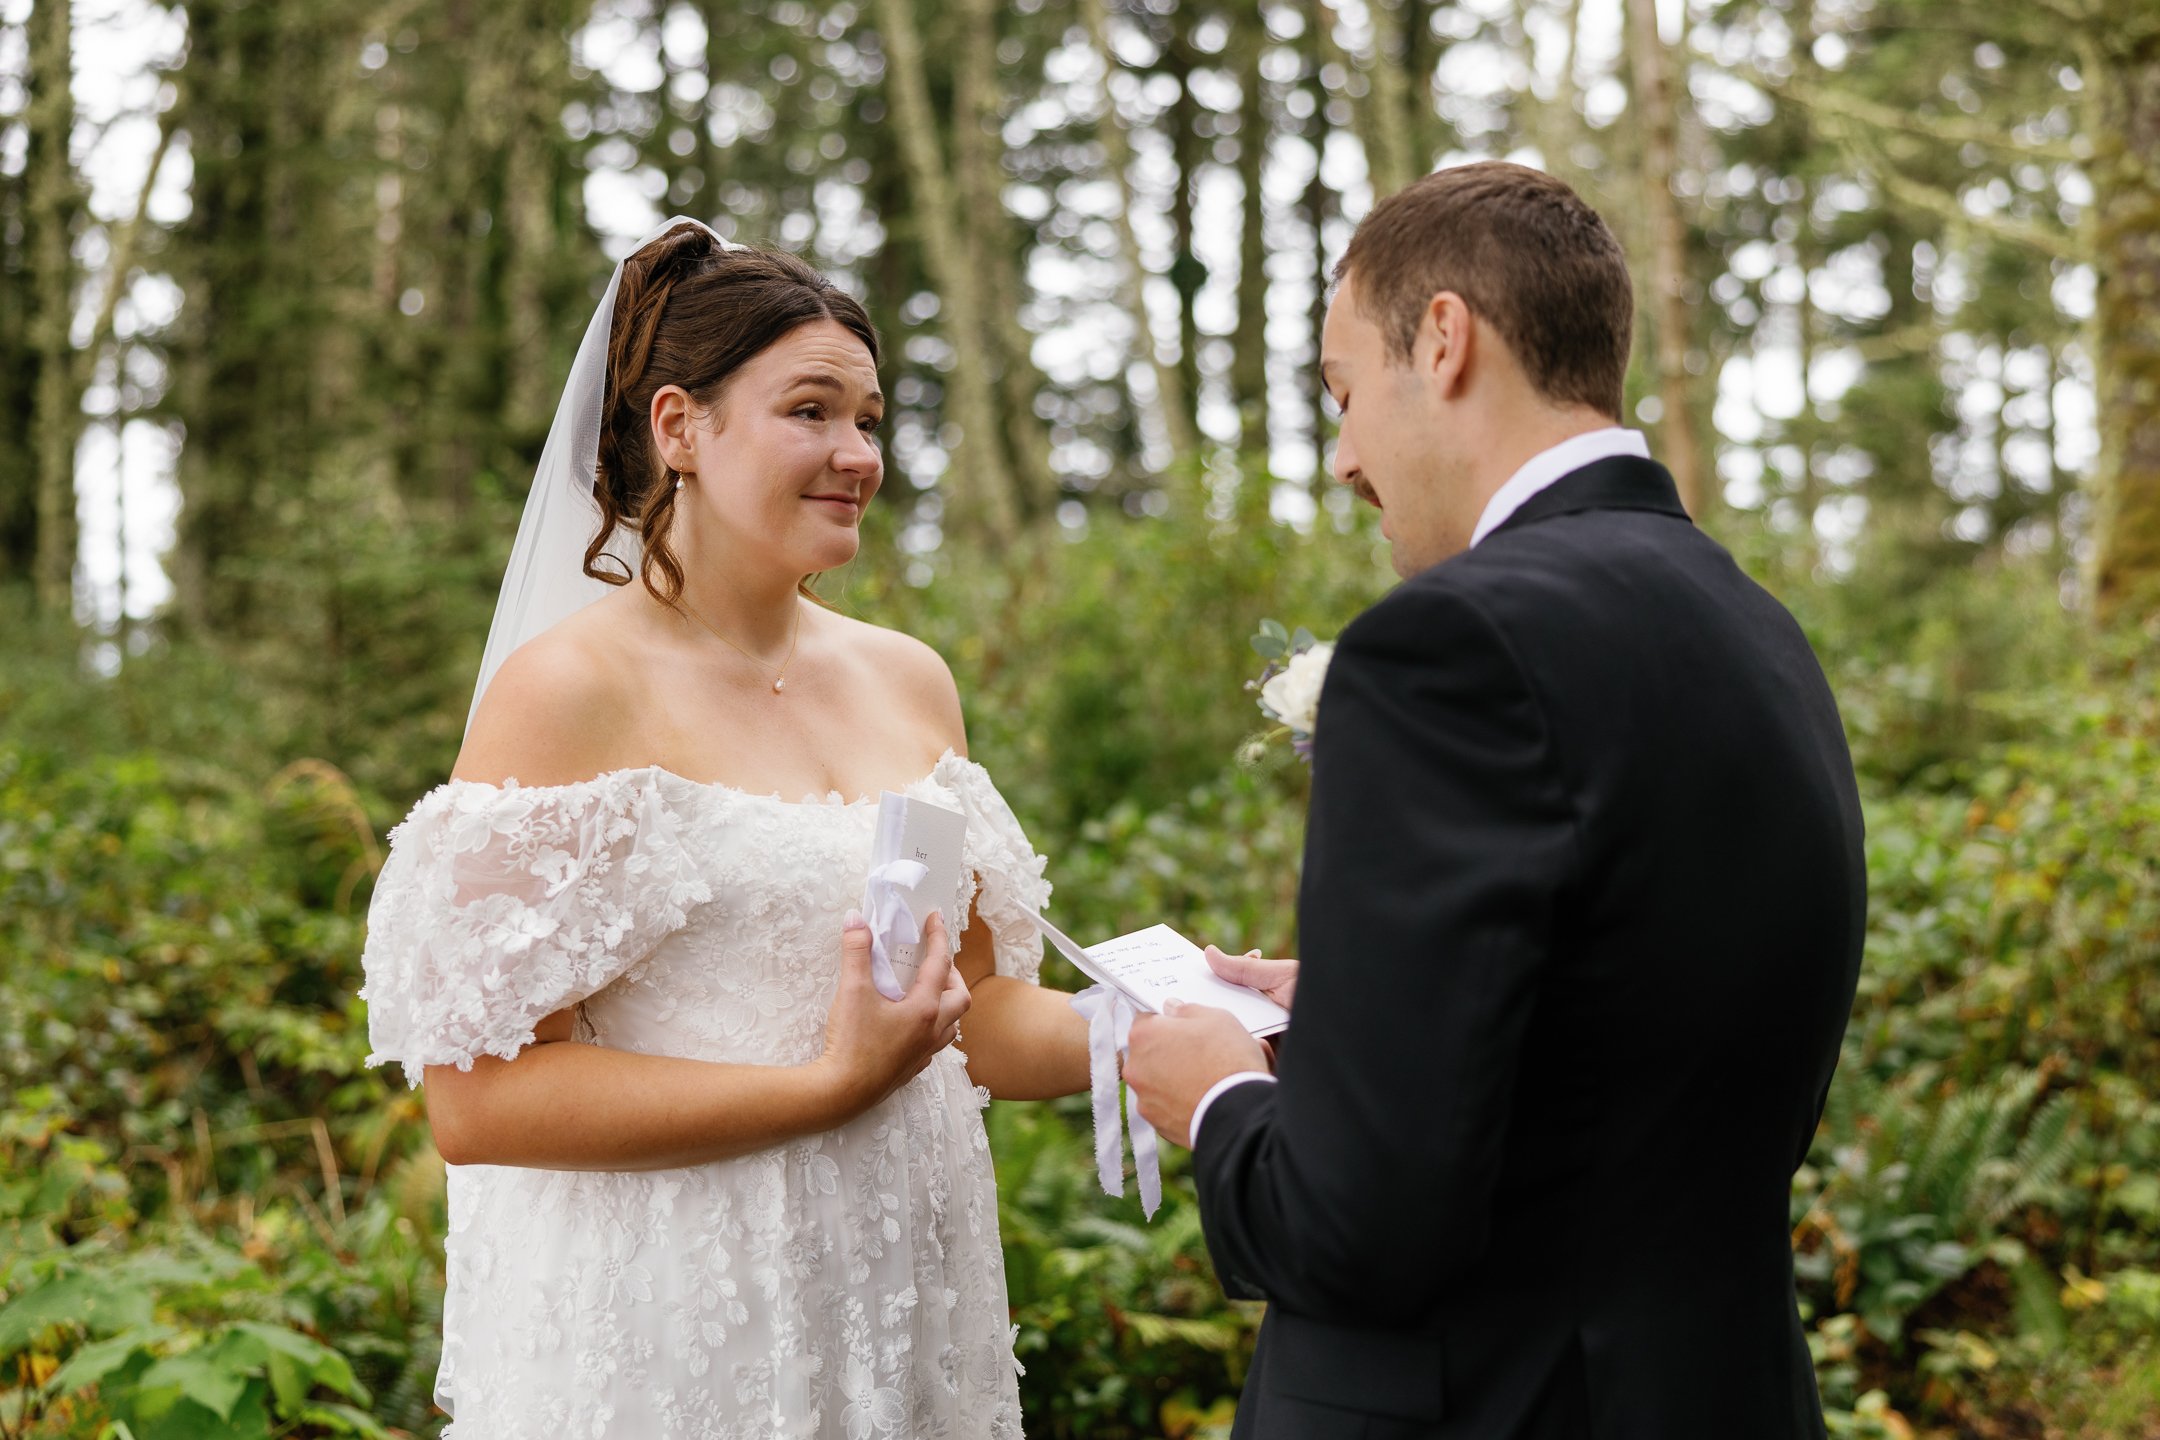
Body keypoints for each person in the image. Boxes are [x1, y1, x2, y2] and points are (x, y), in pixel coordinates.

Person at [1122, 162, 1867, 1440]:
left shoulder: (1449, 645)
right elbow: (1645, 1020)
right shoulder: (1757, 629)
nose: (1348, 459)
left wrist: (1222, 1099)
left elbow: (1359, 1229)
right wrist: (1376, 1000)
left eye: (1345, 394)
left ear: (1448, 339)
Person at [359, 219, 1091, 1438]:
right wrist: (823, 1087)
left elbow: (984, 1020)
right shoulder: (569, 694)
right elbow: (479, 1106)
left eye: (868, 419)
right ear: (678, 427)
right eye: (811, 411)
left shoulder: (911, 680)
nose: (856, 453)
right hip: (677, 1325)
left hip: (897, 1299)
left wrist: (1186, 1024)